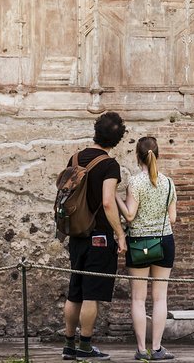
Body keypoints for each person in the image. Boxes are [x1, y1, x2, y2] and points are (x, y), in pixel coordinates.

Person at [62, 111, 127, 361]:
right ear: (117, 139)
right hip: (99, 236)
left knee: (74, 291)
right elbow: (108, 203)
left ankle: (69, 344)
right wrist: (119, 234)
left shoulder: (75, 157)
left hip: (76, 233)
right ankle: (85, 346)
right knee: (91, 294)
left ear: (95, 131)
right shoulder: (109, 165)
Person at [115, 136, 177, 360]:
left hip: (139, 244)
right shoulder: (168, 182)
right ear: (157, 154)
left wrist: (116, 197)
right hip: (164, 242)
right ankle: (158, 348)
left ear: (137, 156)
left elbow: (130, 215)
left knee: (138, 299)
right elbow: (173, 217)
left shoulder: (135, 182)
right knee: (160, 298)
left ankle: (142, 350)